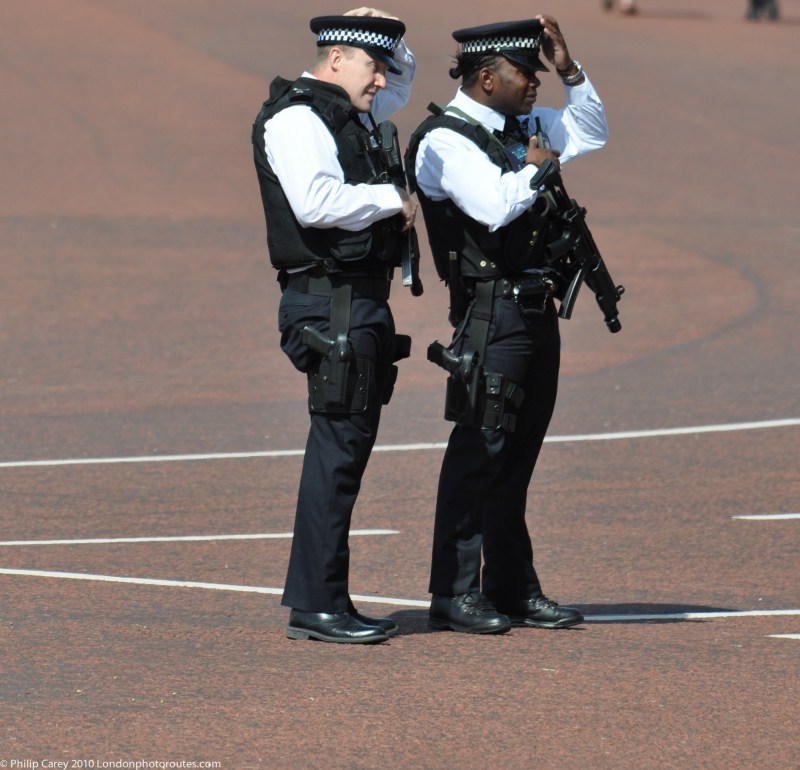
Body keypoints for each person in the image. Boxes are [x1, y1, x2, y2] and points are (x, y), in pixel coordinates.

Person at [406, 17, 608, 634]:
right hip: (489, 312)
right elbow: (493, 206)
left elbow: (592, 132)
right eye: (527, 74)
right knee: (481, 450)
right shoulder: (445, 140)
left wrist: (571, 68)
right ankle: (453, 592)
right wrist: (539, 170)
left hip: (534, 309)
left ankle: (512, 586)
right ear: (488, 77)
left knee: (518, 456)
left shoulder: (523, 127)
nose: (535, 85)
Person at [251, 8, 417, 644]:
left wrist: (389, 33)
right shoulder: (299, 119)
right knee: (337, 455)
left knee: (345, 451)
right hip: (331, 306)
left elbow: (400, 83)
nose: (383, 82)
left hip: (352, 302)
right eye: (374, 67)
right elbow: (315, 202)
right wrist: (389, 199)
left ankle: (324, 599)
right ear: (338, 59)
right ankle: (318, 604)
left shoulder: (345, 107)